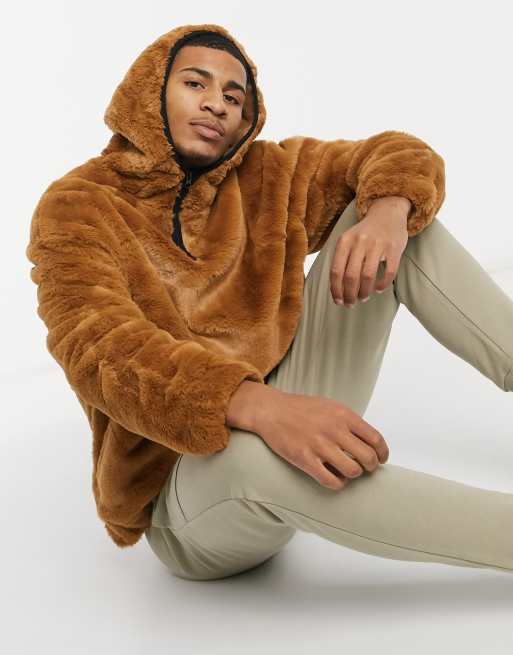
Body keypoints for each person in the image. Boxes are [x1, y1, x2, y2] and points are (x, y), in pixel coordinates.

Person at [26, 24, 513, 581]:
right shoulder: (79, 205)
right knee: (249, 458)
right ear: (149, 92)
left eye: (234, 97)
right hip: (189, 494)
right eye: (195, 84)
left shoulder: (266, 175)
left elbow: (395, 152)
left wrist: (387, 213)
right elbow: (99, 350)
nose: (216, 104)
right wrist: (261, 408)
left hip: (287, 412)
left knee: (399, 223)